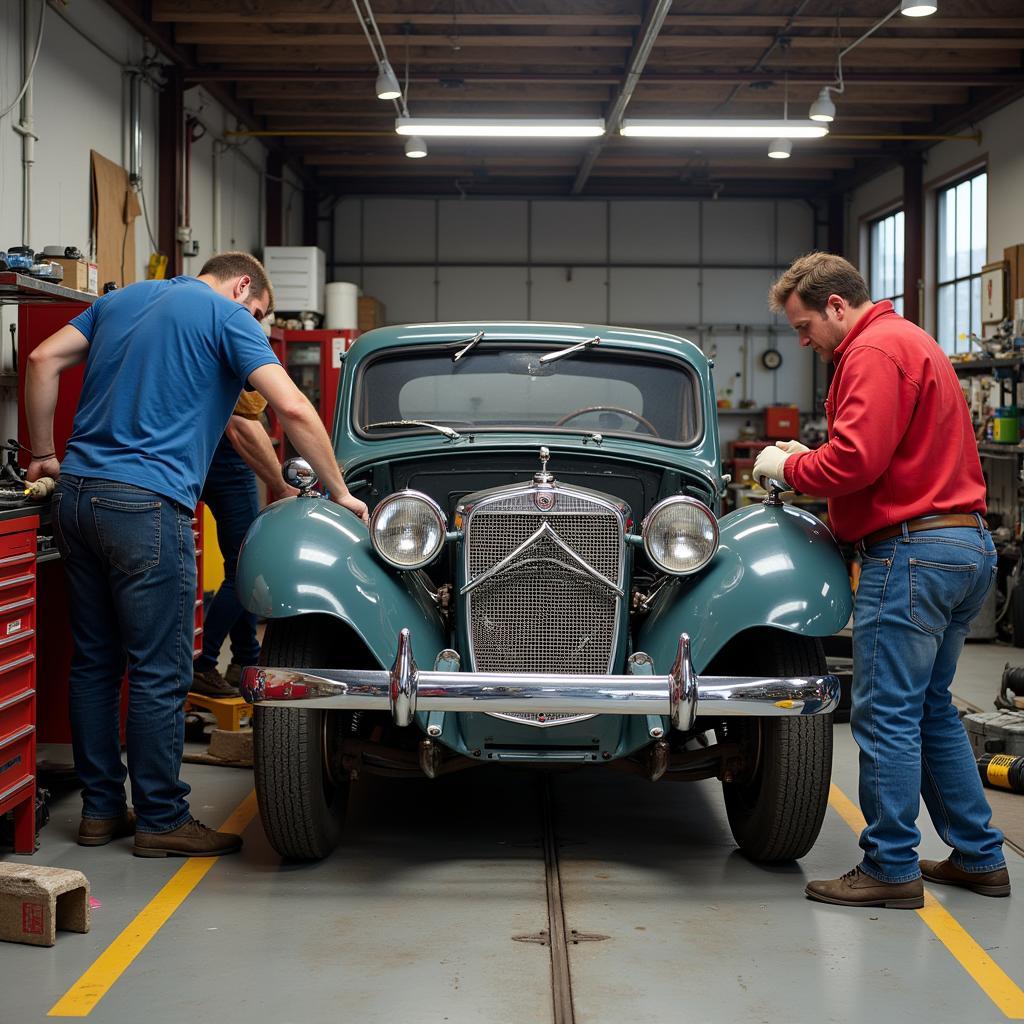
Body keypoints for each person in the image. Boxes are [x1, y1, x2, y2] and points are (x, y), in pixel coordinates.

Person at [25, 252, 368, 859]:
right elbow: (289, 407)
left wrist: (45, 453)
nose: (257, 326)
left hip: (75, 496)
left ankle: (102, 811)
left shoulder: (119, 300)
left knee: (96, 664)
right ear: (243, 286)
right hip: (145, 506)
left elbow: (41, 358)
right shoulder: (227, 316)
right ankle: (161, 819)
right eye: (260, 312)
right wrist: (340, 493)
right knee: (160, 671)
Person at [753, 251, 1009, 908]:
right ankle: (980, 857)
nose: (804, 342)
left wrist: (788, 465)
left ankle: (891, 867)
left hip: (913, 552)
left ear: (837, 305)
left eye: (805, 326)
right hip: (963, 545)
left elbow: (854, 462)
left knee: (886, 713)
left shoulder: (872, 352)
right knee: (931, 711)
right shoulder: (912, 341)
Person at [191, 391, 297, 698]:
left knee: (241, 564)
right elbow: (243, 417)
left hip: (198, 451)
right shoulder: (235, 344)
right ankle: (203, 662)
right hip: (228, 459)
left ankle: (244, 658)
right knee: (247, 567)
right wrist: (281, 484)